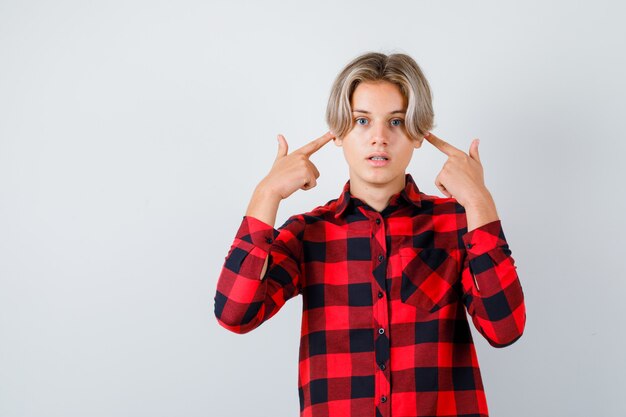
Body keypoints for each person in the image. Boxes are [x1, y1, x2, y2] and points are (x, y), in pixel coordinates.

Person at [214, 51, 526, 417]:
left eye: (395, 122)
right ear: (339, 133)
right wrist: (266, 195)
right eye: (362, 120)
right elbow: (235, 314)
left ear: (418, 134)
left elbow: (504, 329)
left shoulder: (458, 224)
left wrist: (478, 200)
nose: (379, 137)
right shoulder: (307, 234)